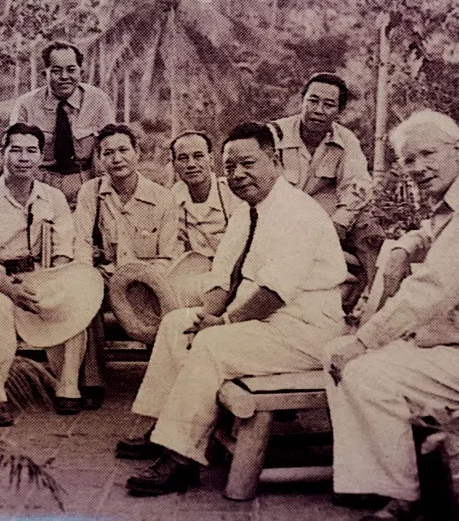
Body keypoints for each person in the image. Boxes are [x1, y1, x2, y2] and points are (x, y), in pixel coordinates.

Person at [325, 110, 459, 521]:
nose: (418, 168)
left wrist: (365, 339)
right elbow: (433, 231)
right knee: (337, 354)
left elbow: (435, 289)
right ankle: (368, 483)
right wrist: (406, 245)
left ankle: (403, 498)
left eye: (428, 154)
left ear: (457, 150)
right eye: (409, 160)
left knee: (364, 370)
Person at [117, 122, 347, 496]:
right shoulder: (249, 209)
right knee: (178, 323)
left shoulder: (296, 213)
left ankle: (181, 457)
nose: (238, 175)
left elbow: (273, 292)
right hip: (266, 325)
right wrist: (207, 316)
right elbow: (222, 276)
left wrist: (221, 324)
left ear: (275, 161)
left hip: (303, 332)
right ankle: (164, 428)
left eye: (248, 164)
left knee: (211, 346)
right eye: (231, 166)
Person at [0, 123, 93, 427]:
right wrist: (10, 289)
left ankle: (67, 384)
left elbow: (64, 248)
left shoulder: (54, 198)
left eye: (31, 151)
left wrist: (52, 280)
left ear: (40, 157)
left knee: (74, 299)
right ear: (3, 153)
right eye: (16, 150)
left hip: (43, 273)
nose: (24, 158)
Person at [73, 123, 182, 408]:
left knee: (161, 299)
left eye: (123, 150)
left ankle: (164, 378)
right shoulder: (90, 192)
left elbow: (168, 256)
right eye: (108, 153)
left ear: (136, 153)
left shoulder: (163, 198)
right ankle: (92, 379)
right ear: (99, 158)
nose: (117, 158)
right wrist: (87, 274)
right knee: (87, 294)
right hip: (105, 274)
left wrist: (138, 275)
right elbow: (82, 242)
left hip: (146, 278)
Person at [269, 73, 383, 295]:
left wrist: (339, 223)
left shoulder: (346, 140)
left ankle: (374, 296)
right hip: (280, 219)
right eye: (313, 101)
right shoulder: (274, 133)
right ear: (301, 101)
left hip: (325, 219)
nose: (318, 110)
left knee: (369, 230)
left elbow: (358, 185)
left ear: (339, 112)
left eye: (329, 105)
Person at [10, 41, 116, 207]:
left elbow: (108, 149)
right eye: (56, 71)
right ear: (44, 74)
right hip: (40, 184)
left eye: (71, 70)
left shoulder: (97, 100)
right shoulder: (26, 105)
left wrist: (104, 192)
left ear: (81, 72)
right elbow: (15, 154)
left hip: (85, 182)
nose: (64, 77)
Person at [170, 130, 242, 258]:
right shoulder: (173, 197)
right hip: (192, 270)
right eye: (183, 158)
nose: (191, 164)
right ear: (174, 164)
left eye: (198, 156)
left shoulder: (233, 193)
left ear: (211, 159)